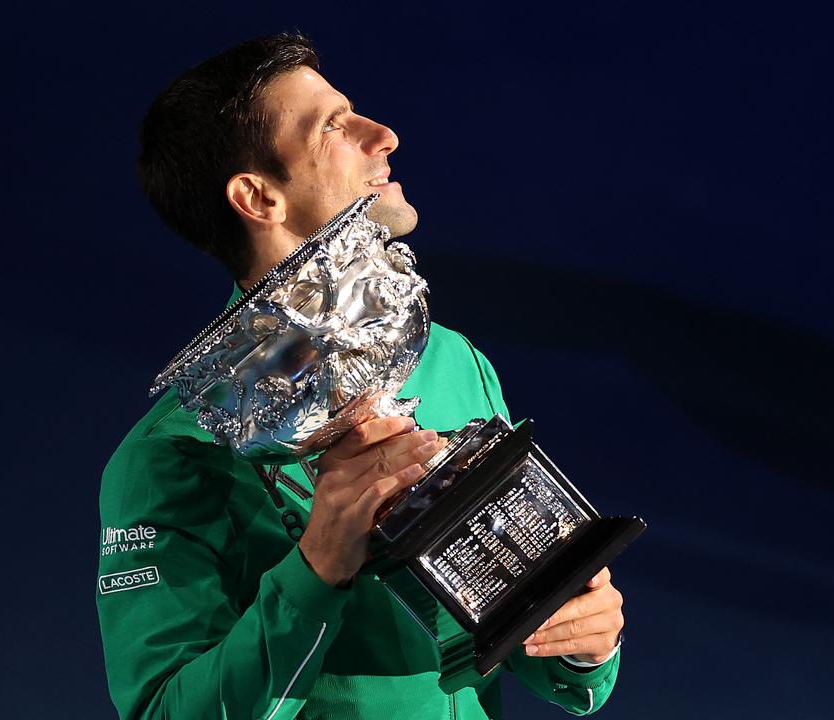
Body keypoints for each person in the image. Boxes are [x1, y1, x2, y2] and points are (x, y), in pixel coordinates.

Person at [97, 34, 626, 719]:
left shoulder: (451, 359)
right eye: (334, 128)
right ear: (258, 197)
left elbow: (546, 656)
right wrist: (318, 565)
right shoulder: (172, 457)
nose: (385, 136)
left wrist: (585, 646)